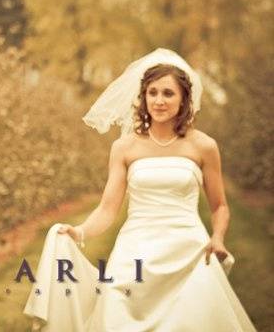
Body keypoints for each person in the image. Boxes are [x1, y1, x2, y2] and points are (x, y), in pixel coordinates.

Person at [24, 48, 256, 331]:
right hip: (134, 250)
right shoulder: (124, 147)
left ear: (184, 98)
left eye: (168, 93)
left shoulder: (203, 146)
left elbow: (220, 205)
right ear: (143, 98)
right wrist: (80, 231)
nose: (159, 101)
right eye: (152, 93)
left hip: (188, 252)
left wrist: (217, 237)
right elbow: (108, 209)